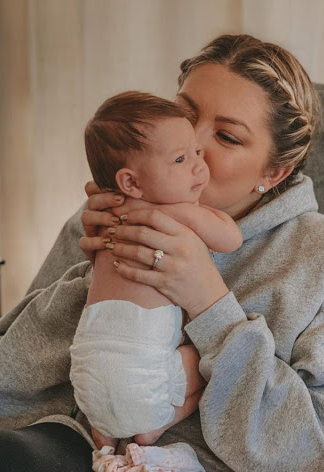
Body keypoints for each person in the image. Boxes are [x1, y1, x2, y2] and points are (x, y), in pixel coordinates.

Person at [0, 34, 324, 472]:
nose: (190, 144)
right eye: (184, 115)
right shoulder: (107, 211)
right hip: (83, 457)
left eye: (226, 136)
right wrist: (97, 275)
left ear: (275, 172)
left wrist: (211, 308)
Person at [71, 90, 242, 450]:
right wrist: (204, 215)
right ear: (130, 182)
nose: (200, 164)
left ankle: (104, 432)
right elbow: (230, 239)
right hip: (145, 379)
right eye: (181, 158)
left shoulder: (105, 217)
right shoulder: (171, 212)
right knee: (201, 364)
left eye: (196, 151)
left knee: (108, 400)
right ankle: (155, 424)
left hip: (86, 375)